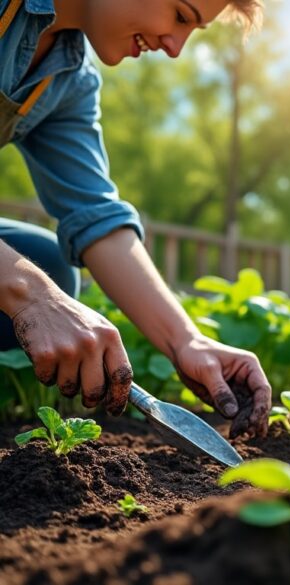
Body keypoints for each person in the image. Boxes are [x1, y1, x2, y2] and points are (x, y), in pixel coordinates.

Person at [0, 0, 270, 438]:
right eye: (180, 15)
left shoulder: (66, 78)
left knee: (45, 262)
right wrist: (29, 293)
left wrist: (186, 340)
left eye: (193, 30)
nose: (176, 46)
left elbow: (95, 215)